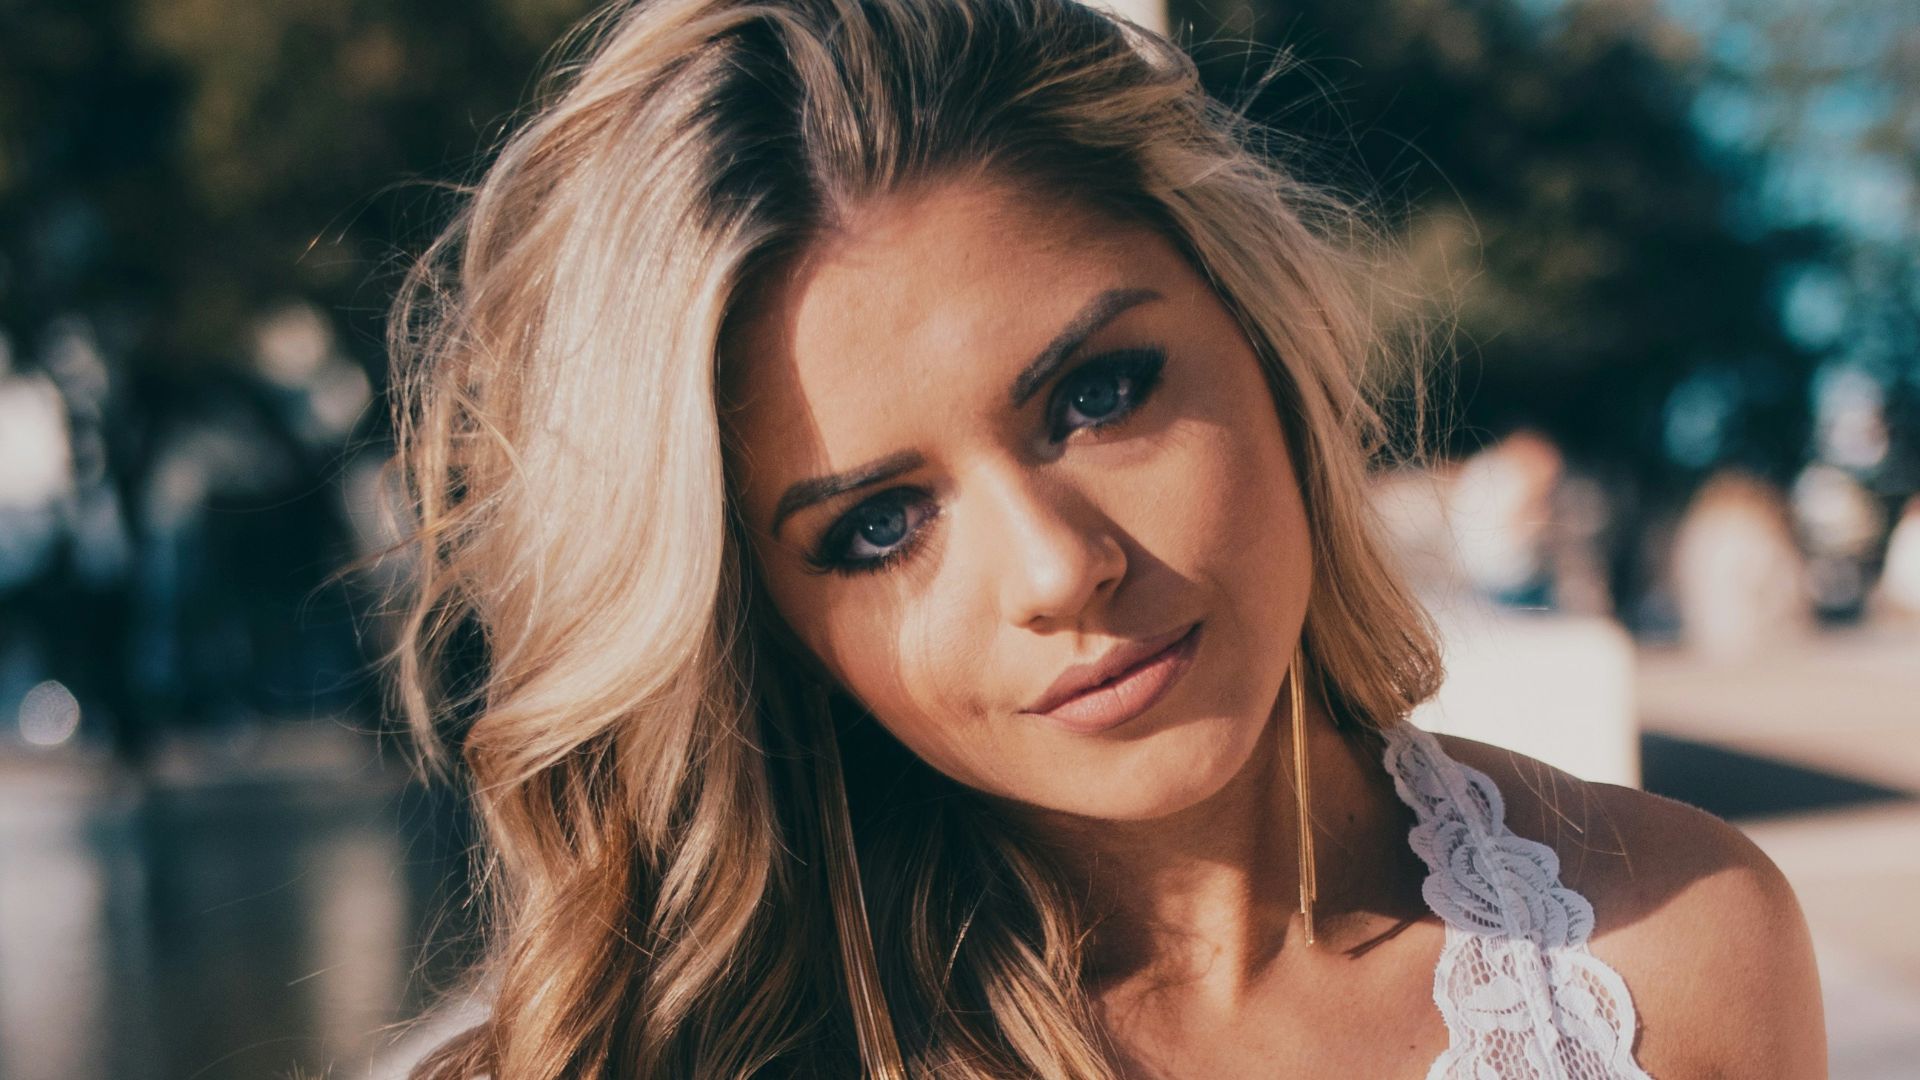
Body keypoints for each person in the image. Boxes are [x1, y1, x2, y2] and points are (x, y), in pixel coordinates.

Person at [385, 0, 1827, 1075]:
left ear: (1260, 338)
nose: (1059, 569)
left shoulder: (1675, 954)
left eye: (1097, 394)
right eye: (879, 526)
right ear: (761, 617)